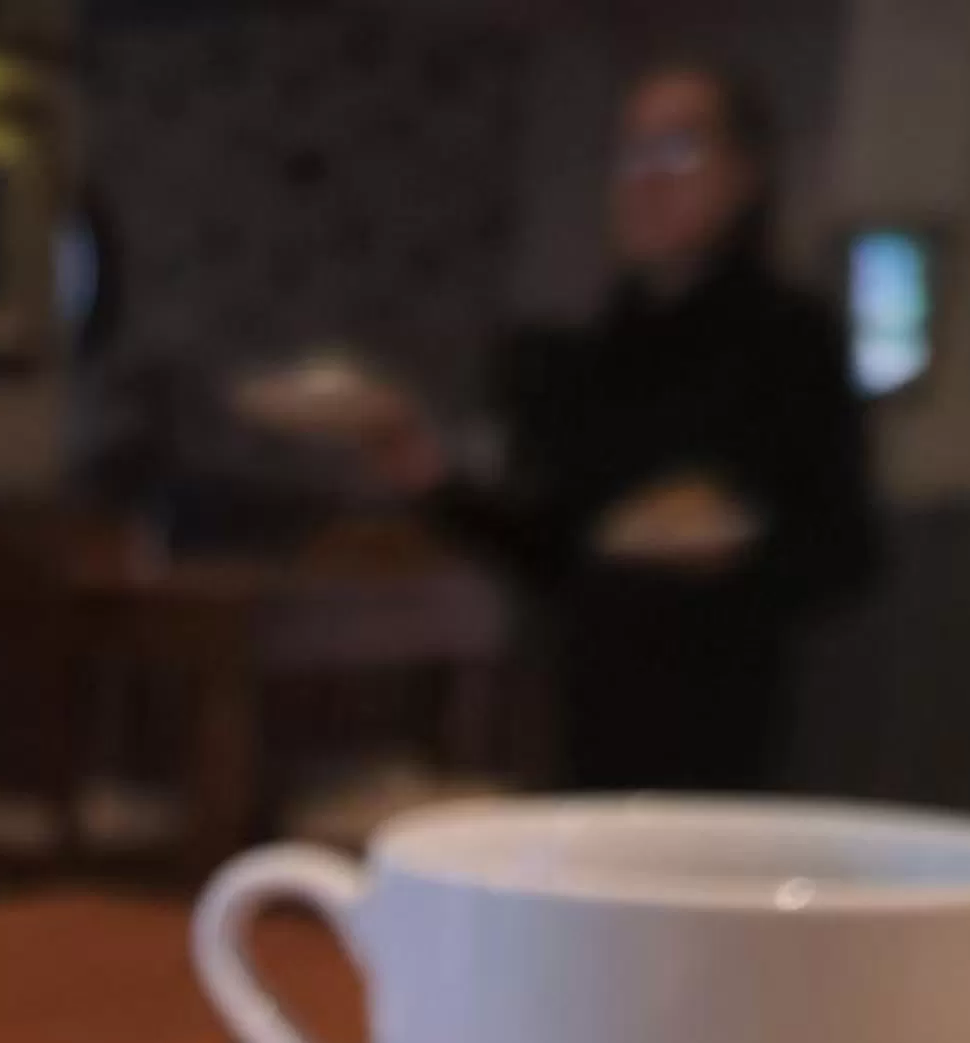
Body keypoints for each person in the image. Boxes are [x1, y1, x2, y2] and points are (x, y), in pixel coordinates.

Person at [372, 62, 881, 794]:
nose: (645, 179)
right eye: (631, 153)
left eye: (676, 150)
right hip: (588, 714)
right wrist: (435, 483)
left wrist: (734, 555)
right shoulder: (602, 346)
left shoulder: (792, 341)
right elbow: (560, 549)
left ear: (744, 174)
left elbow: (848, 552)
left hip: (723, 721)